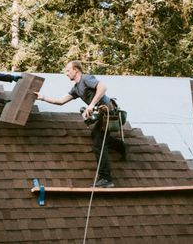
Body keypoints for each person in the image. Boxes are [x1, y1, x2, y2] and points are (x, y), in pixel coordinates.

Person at [35, 60, 127, 188]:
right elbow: (61, 101)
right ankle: (121, 146)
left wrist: (91, 105)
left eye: (68, 70)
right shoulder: (76, 88)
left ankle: (106, 179)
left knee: (98, 144)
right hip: (102, 115)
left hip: (109, 113)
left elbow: (103, 87)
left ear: (76, 70)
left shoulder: (86, 79)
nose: (66, 73)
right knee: (97, 136)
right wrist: (43, 97)